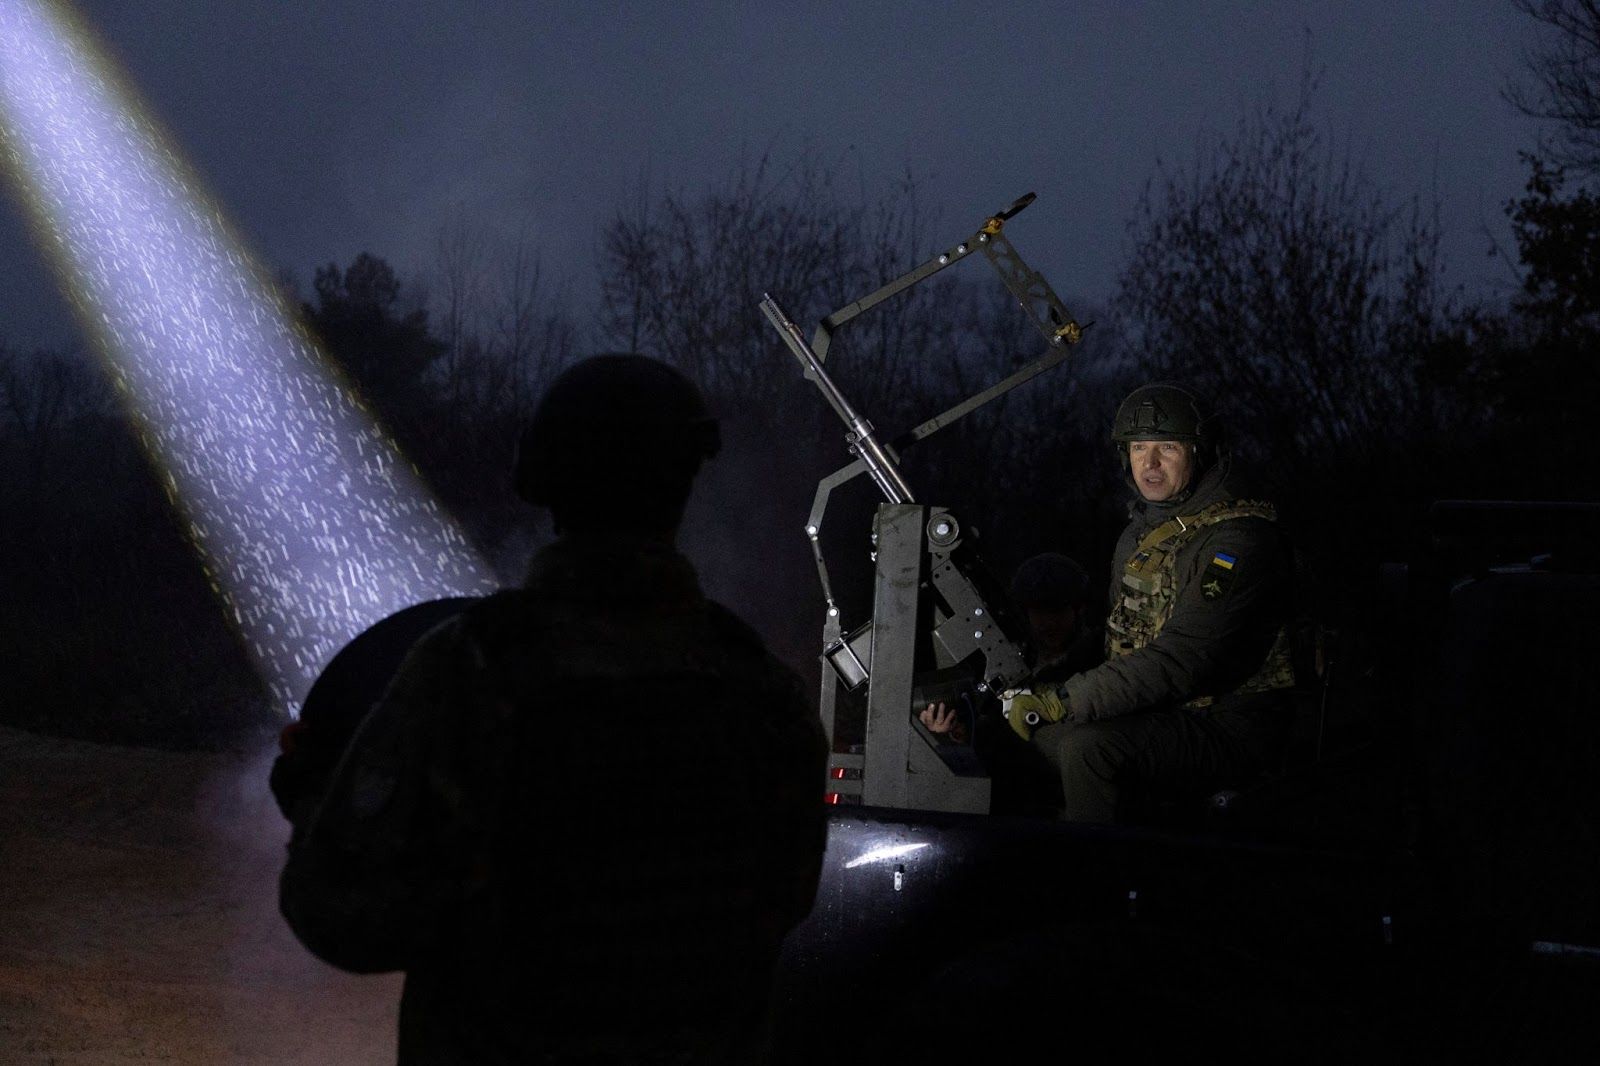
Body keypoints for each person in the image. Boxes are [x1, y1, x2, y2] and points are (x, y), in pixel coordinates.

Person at [279, 354, 828, 1063]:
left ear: (540, 477)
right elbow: (783, 906)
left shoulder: (473, 667)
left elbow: (346, 918)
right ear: (686, 478)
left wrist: (310, 799)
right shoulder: (761, 692)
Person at [1004, 382, 1295, 824]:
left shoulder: (1237, 540)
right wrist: (1040, 683)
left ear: (1198, 453)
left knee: (1089, 749)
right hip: (1165, 710)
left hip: (1231, 722)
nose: (1151, 464)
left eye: (1168, 448)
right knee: (1036, 739)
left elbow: (1185, 656)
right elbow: (1120, 633)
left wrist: (1065, 700)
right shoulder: (1143, 535)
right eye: (1139, 447)